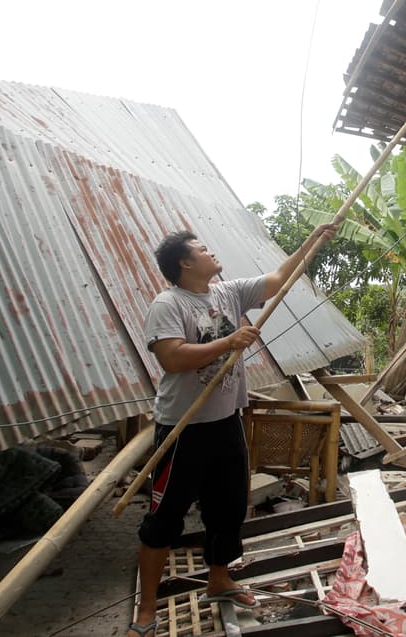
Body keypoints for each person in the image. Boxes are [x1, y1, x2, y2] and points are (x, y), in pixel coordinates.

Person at [126, 223, 337, 637]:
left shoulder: (227, 292)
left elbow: (277, 280)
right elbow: (172, 358)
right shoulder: (168, 304)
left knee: (227, 508)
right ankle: (147, 608)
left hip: (225, 423)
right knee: (164, 517)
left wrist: (311, 241)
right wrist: (229, 342)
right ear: (185, 263)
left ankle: (219, 579)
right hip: (182, 428)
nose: (211, 252)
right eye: (202, 249)